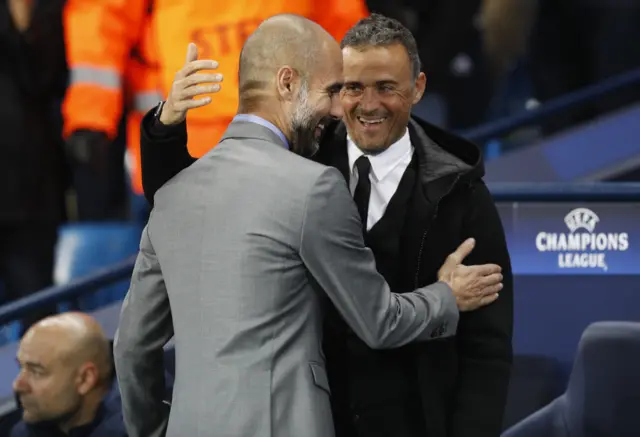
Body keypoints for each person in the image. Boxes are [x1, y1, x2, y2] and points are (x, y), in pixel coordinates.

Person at [114, 15, 503, 437]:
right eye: (336, 90)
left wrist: (154, 430)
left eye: (384, 87)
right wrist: (447, 296)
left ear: (417, 87)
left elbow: (132, 348)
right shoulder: (313, 184)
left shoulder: (175, 196)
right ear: (286, 83)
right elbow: (379, 321)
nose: (341, 109)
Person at [61, 0, 368, 218]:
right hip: (191, 147)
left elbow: (337, 17)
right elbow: (101, 21)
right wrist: (91, 116)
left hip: (292, 136)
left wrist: (356, 96)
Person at [0, 0, 68, 337]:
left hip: (28, 192)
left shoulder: (43, 9)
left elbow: (47, 77)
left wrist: (22, 19)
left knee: (37, 314)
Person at [11, 313, 126, 437]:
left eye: (37, 372)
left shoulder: (137, 428)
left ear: (85, 379)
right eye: (21, 367)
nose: (18, 385)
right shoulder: (27, 430)